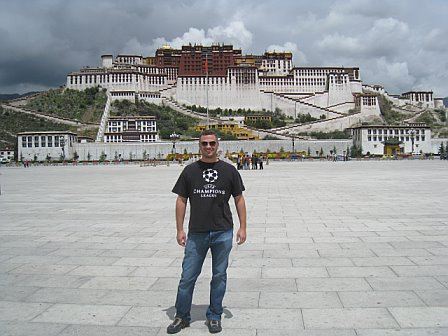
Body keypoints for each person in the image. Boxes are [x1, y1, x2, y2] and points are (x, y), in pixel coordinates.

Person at [167, 129, 247, 334]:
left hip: (223, 232)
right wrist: (179, 229)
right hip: (197, 233)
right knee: (187, 277)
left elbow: (239, 199)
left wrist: (243, 227)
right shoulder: (190, 171)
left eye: (212, 143)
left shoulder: (229, 171)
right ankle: (182, 316)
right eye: (204, 144)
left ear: (217, 145)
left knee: (219, 275)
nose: (208, 147)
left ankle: (214, 316)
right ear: (199, 146)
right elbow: (181, 200)